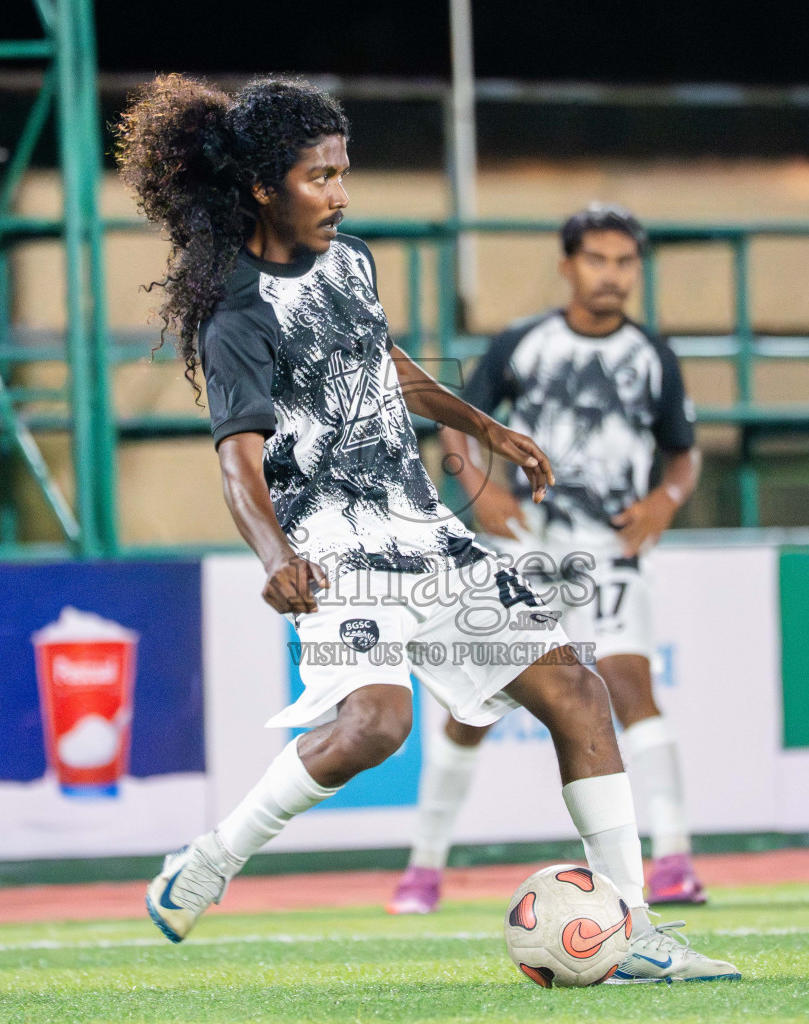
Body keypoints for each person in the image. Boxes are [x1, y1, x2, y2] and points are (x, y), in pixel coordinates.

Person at [118, 76, 737, 983]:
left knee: (577, 687)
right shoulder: (238, 314)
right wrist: (276, 555)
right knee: (375, 726)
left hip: (425, 533)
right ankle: (210, 860)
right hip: (333, 545)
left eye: (343, 172)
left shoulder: (351, 261)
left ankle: (634, 927)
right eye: (318, 176)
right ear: (260, 186)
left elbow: (384, 364)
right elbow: (237, 462)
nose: (339, 193)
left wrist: (481, 425)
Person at [389, 204, 708, 915]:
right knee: (475, 708)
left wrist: (666, 500)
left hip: (609, 548)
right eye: (597, 259)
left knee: (629, 686)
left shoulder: (653, 354)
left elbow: (685, 452)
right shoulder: (521, 343)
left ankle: (676, 858)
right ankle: (424, 868)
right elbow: (457, 425)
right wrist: (479, 493)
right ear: (568, 266)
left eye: (625, 262)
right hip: (527, 546)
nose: (612, 275)